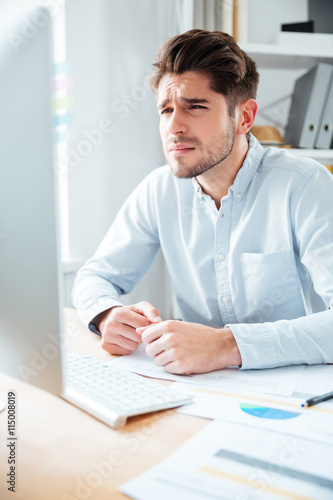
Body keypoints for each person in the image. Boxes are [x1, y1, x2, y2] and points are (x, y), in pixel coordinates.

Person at [72, 29, 333, 374]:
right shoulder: (158, 190)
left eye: (194, 107)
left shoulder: (305, 186)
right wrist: (106, 314)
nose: (173, 126)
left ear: (244, 117)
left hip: (295, 395)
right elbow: (95, 275)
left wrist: (226, 346)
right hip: (200, 388)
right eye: (165, 110)